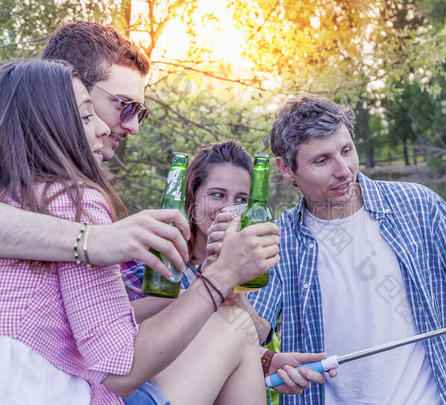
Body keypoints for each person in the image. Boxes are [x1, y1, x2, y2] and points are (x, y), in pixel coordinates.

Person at [0, 59, 279, 404]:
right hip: (55, 391)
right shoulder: (75, 200)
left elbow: (93, 326)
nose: (104, 128)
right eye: (88, 116)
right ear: (49, 126)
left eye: (241, 199)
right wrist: (221, 276)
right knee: (234, 328)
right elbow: (120, 368)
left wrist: (219, 284)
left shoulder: (18, 195)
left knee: (235, 323)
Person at [243, 95, 446, 404]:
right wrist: (227, 276)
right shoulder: (279, 241)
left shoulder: (420, 206)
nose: (344, 170)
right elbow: (251, 332)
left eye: (347, 151)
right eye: (322, 160)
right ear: (285, 168)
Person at [122, 141, 337, 395]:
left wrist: (230, 280)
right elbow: (126, 327)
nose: (229, 208)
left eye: (242, 199)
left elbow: (254, 335)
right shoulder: (154, 250)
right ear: (192, 198)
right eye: (217, 194)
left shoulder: (257, 262)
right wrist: (214, 276)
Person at [0, 21, 187, 278]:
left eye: (140, 113)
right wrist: (93, 240)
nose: (134, 127)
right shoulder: (75, 202)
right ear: (67, 88)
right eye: (124, 104)